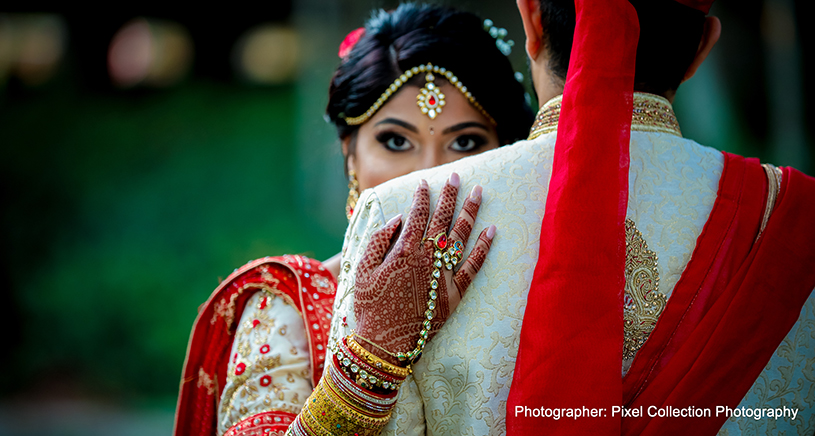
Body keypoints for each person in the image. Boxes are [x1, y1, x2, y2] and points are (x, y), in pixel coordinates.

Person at [332, 0, 815, 435]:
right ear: (703, 46)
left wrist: (371, 361)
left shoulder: (399, 214)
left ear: (532, 20)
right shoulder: (799, 217)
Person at [173, 4, 533, 436]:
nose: (429, 175)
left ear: (508, 157)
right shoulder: (290, 310)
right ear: (350, 157)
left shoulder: (538, 293)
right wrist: (373, 352)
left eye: (466, 142)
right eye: (396, 140)